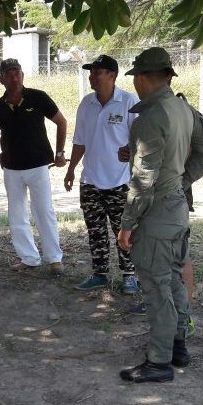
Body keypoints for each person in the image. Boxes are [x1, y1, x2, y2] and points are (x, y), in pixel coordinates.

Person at [116, 47, 195, 384]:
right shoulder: (182, 108)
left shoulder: (151, 117)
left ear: (145, 79)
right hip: (176, 208)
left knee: (156, 287)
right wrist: (181, 180)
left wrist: (126, 225)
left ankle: (159, 362)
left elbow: (143, 178)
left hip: (157, 214)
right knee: (173, 279)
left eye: (135, 77)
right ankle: (177, 347)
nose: (134, 84)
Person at [0, 58, 68, 274]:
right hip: (12, 170)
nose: (14, 78)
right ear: (1, 79)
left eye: (17, 73)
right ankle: (29, 258)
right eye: (10, 74)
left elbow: (62, 121)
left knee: (44, 211)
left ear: (22, 75)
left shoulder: (38, 97)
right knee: (17, 215)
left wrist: (60, 153)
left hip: (39, 166)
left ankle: (54, 259)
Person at [64, 54, 140, 294]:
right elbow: (80, 141)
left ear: (112, 75)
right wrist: (71, 169)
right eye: (90, 72)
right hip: (91, 181)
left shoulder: (129, 102)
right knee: (95, 231)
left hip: (121, 182)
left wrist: (133, 150)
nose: (92, 76)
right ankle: (100, 274)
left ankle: (130, 275)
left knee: (124, 230)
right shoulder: (86, 104)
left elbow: (143, 139)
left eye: (97, 72)